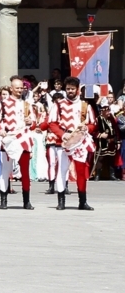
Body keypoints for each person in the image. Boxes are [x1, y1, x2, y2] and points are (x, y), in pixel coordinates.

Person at [48, 77, 95, 211]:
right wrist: (63, 134)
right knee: (62, 171)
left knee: (81, 172)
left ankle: (82, 202)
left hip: (80, 142)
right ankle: (61, 201)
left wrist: (86, 128)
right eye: (68, 89)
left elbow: (92, 124)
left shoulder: (85, 105)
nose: (70, 91)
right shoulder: (58, 105)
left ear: (78, 90)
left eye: (72, 89)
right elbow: (52, 123)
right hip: (64, 142)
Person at [0, 75, 36, 211]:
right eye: (17, 88)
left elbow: (34, 124)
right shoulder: (2, 104)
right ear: (11, 88)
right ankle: (3, 199)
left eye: (21, 88)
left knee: (25, 172)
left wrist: (31, 122)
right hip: (9, 140)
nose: (20, 90)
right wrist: (0, 131)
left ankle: (26, 201)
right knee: (5, 170)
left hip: (23, 139)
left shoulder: (27, 104)